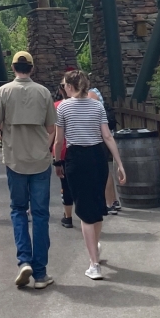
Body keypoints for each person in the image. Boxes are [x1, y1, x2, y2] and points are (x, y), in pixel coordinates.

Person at [0, 51, 56, 290]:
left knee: (18, 210)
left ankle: (23, 261)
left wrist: (7, 141)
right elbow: (51, 128)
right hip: (40, 160)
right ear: (32, 68)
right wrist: (45, 148)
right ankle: (40, 273)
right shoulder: (44, 92)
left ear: (13, 67)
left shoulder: (3, 92)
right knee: (40, 214)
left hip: (15, 159)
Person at [52, 69, 127, 280]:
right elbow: (107, 136)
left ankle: (94, 263)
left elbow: (59, 140)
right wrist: (119, 164)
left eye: (64, 85)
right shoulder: (97, 105)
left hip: (76, 157)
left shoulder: (64, 107)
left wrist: (57, 161)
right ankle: (95, 249)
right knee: (96, 206)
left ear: (69, 86)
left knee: (84, 211)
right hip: (98, 157)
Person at [88, 86, 121, 214]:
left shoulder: (91, 94)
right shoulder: (94, 92)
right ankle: (112, 200)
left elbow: (93, 115)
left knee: (103, 171)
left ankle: (109, 202)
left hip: (100, 137)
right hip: (102, 136)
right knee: (104, 171)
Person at [53, 83, 74, 228]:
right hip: (85, 150)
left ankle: (68, 216)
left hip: (65, 150)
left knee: (65, 185)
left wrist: (56, 159)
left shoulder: (57, 106)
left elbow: (56, 137)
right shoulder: (91, 104)